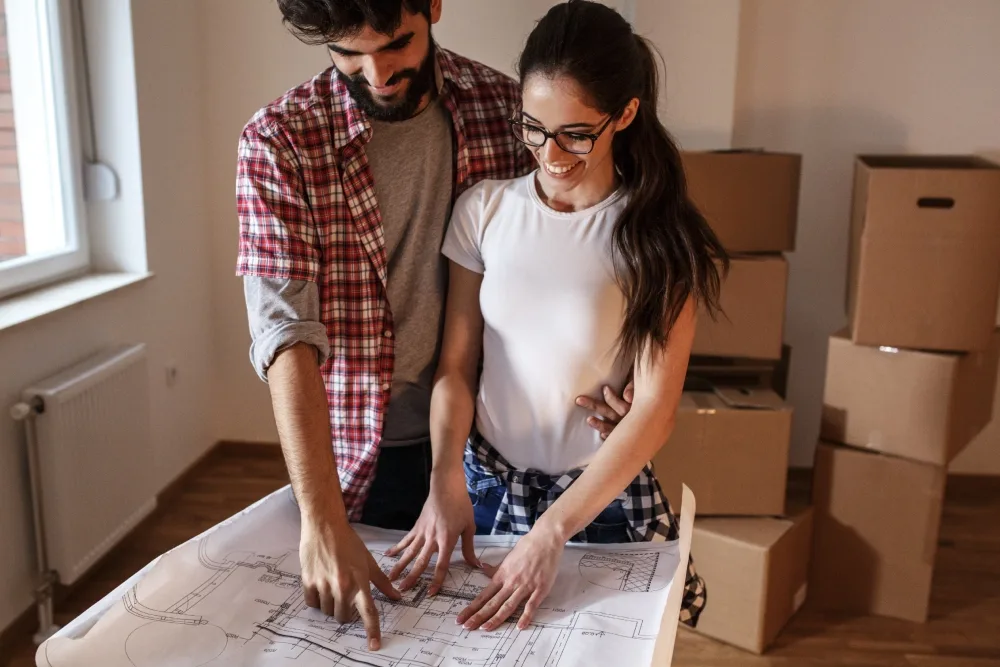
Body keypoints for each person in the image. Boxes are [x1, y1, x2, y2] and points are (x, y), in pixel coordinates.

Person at [235, 0, 633, 650]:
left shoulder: (505, 109)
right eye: (347, 53)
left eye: (396, 45)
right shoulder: (279, 141)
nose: (377, 73)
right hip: (357, 456)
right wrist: (320, 518)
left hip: (496, 452)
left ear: (434, 6)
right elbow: (284, 334)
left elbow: (592, 245)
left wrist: (631, 378)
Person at [386, 0, 728, 632]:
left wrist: (551, 533)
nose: (550, 152)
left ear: (625, 114)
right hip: (485, 487)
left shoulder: (657, 237)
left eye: (575, 132)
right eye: (532, 127)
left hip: (595, 500)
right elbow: (457, 366)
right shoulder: (483, 211)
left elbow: (653, 410)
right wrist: (442, 482)